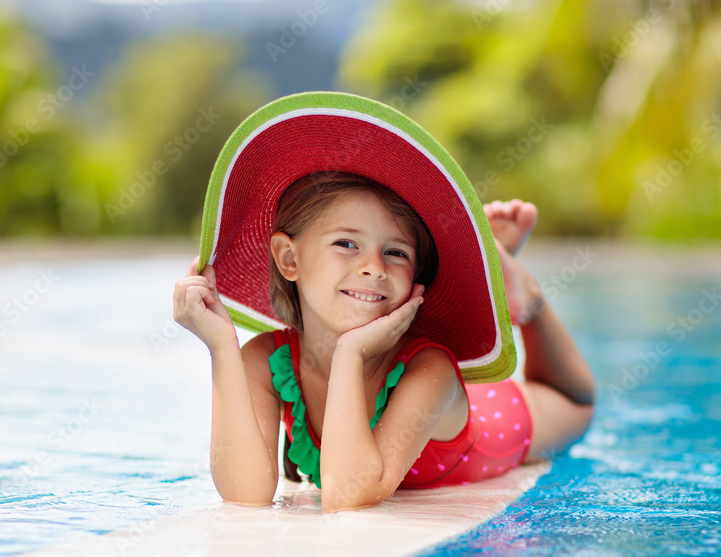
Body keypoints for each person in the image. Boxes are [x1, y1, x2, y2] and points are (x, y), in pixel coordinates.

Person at [172, 92, 594, 512]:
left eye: (396, 252)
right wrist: (222, 347)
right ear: (289, 258)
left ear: (415, 278)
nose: (373, 267)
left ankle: (527, 298)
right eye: (347, 243)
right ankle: (504, 273)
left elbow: (346, 495)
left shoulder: (432, 370)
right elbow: (245, 493)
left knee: (577, 402)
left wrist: (350, 354)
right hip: (439, 407)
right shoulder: (267, 360)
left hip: (501, 423)